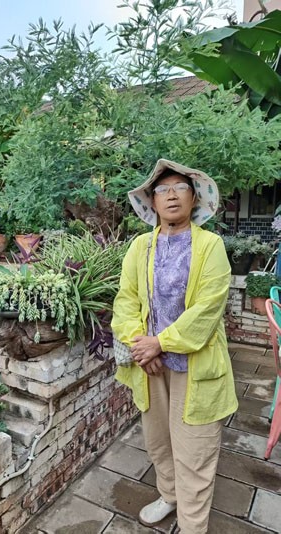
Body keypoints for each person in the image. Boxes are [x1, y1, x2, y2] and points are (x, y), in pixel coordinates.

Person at [111, 159, 238, 534]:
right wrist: (141, 347)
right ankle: (169, 495)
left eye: (180, 187)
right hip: (150, 365)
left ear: (194, 197)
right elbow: (126, 300)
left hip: (195, 364)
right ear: (152, 201)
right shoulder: (140, 247)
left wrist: (160, 343)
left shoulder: (210, 246)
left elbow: (208, 308)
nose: (171, 195)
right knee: (159, 440)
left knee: (195, 448)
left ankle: (193, 524)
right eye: (162, 189)